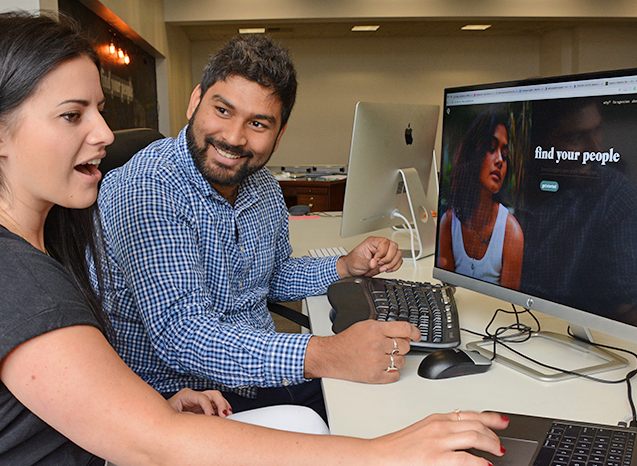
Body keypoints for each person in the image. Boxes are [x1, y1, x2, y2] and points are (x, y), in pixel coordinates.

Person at [0, 11, 509, 466]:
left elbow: (269, 278)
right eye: (72, 115)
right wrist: (379, 446)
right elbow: (171, 389)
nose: (105, 135)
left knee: (323, 426)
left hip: (109, 447)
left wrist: (341, 268)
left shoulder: (29, 245)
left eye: (99, 111)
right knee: (361, 444)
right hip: (125, 455)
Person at [95, 35, 420, 421]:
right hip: (183, 396)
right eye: (222, 110)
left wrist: (344, 267)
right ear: (195, 101)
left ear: (279, 134)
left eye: (258, 123)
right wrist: (326, 355)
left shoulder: (262, 186)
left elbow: (272, 275)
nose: (234, 138)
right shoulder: (148, 189)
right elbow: (182, 335)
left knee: (400, 399)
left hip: (258, 374)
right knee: (370, 423)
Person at [517, 98, 637, 330]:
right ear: (532, 145)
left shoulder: (614, 195)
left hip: (568, 338)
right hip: (498, 319)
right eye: (574, 138)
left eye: (597, 131)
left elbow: (632, 304)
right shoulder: (500, 182)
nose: (595, 150)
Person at [438, 107, 524, 290]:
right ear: (473, 153)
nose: (500, 160)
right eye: (491, 148)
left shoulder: (512, 233)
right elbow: (446, 295)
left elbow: (510, 307)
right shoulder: (448, 224)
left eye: (505, 154)